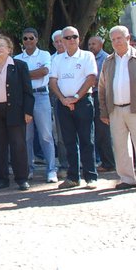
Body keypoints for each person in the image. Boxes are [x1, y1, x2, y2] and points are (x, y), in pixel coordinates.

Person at [98, 26, 136, 191]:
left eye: (120, 38)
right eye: (113, 39)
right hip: (116, 110)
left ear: (127, 39)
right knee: (120, 147)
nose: (117, 42)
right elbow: (102, 88)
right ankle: (127, 178)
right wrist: (104, 111)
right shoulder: (109, 61)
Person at [0, 35, 34, 190]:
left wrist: (28, 111)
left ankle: (22, 179)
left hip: (15, 112)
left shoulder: (20, 66)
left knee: (18, 146)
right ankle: (2, 179)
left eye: (3, 45)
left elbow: (28, 91)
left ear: (10, 49)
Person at [49, 26, 99, 189]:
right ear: (62, 41)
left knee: (87, 140)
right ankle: (73, 177)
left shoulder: (87, 56)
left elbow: (91, 78)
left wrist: (75, 97)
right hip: (63, 105)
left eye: (74, 37)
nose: (71, 40)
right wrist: (63, 99)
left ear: (79, 39)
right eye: (68, 37)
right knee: (68, 141)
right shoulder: (57, 59)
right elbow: (53, 81)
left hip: (83, 102)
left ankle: (90, 176)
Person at [15, 28, 57, 183]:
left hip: (41, 96)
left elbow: (45, 71)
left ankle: (51, 169)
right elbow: (16, 77)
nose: (28, 41)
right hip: (24, 98)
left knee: (46, 135)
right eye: (25, 39)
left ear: (37, 39)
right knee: (27, 136)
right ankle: (28, 169)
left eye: (31, 38)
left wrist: (24, 74)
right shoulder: (18, 58)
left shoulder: (45, 54)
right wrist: (33, 73)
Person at [87, 35, 116, 173]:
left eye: (94, 43)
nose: (91, 46)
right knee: (94, 131)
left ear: (101, 45)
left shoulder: (106, 58)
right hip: (89, 95)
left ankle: (108, 162)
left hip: (101, 96)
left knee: (102, 131)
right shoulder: (87, 57)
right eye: (89, 44)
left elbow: (103, 78)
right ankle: (101, 161)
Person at [50, 30, 68, 177]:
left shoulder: (80, 56)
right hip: (59, 101)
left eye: (61, 40)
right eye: (56, 41)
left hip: (78, 100)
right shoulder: (52, 59)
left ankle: (84, 165)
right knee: (61, 135)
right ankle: (64, 165)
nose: (59, 43)